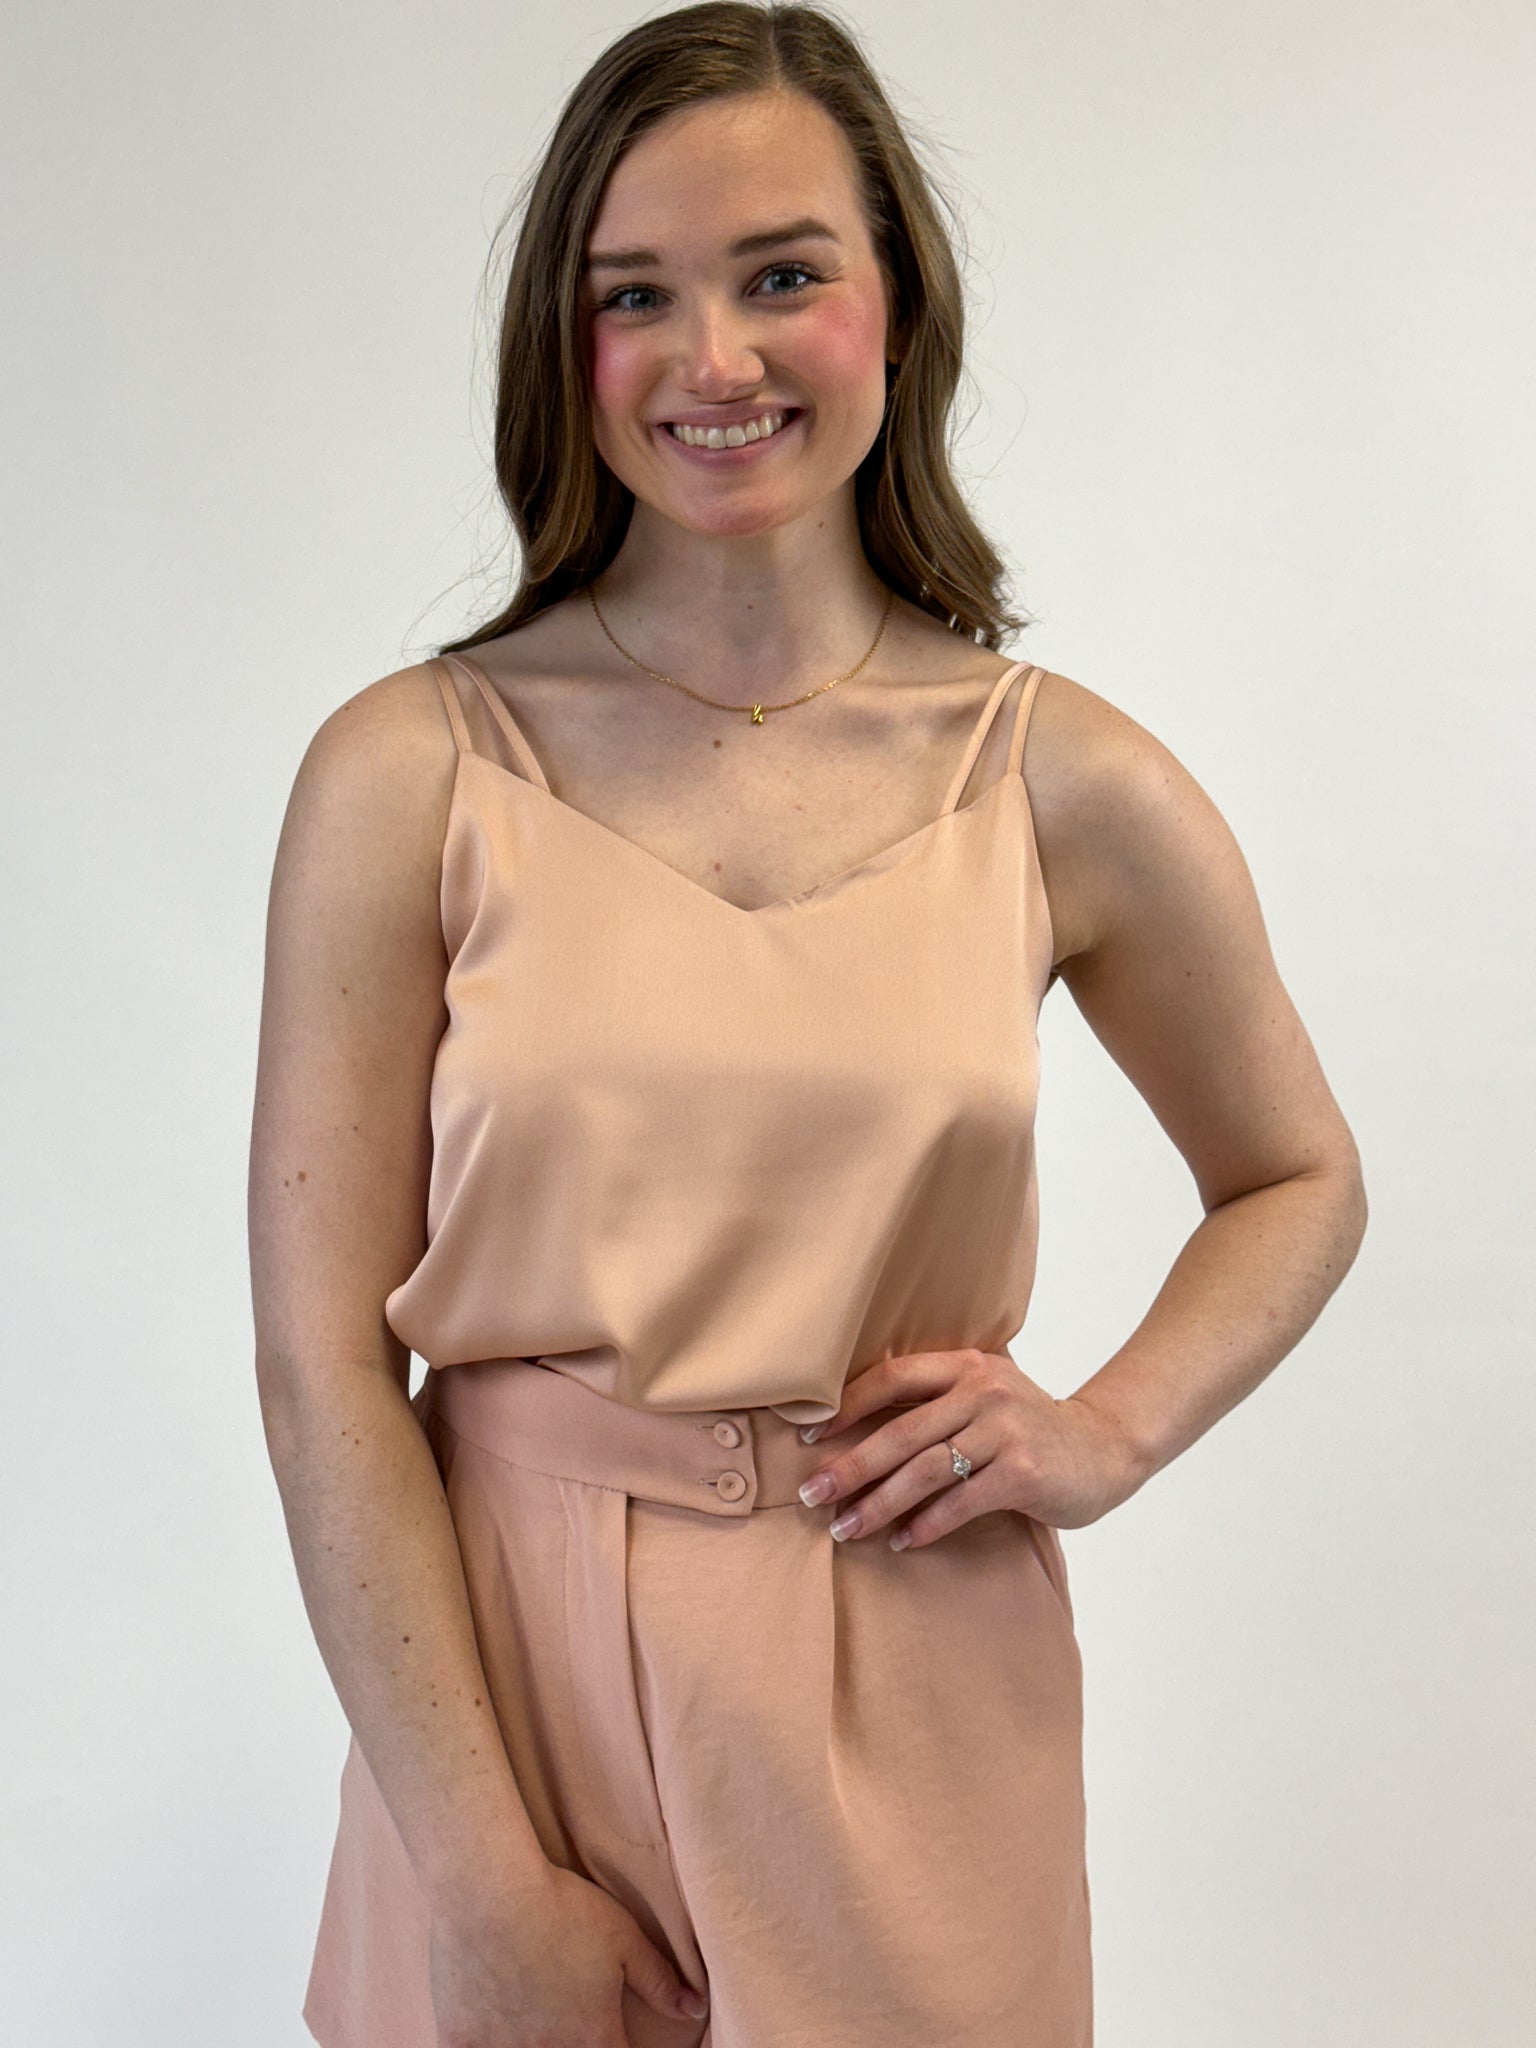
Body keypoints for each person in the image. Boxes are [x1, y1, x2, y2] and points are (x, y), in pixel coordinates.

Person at [247, 5, 1368, 2044]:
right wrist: (478, 1876)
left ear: (896, 304)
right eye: (634, 295)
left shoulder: (1062, 780)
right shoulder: (411, 771)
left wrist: (1106, 1428)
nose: (715, 359)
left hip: (911, 1666)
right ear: (563, 342)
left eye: (781, 275)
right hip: (503, 1693)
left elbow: (1297, 1175)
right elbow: (324, 1360)